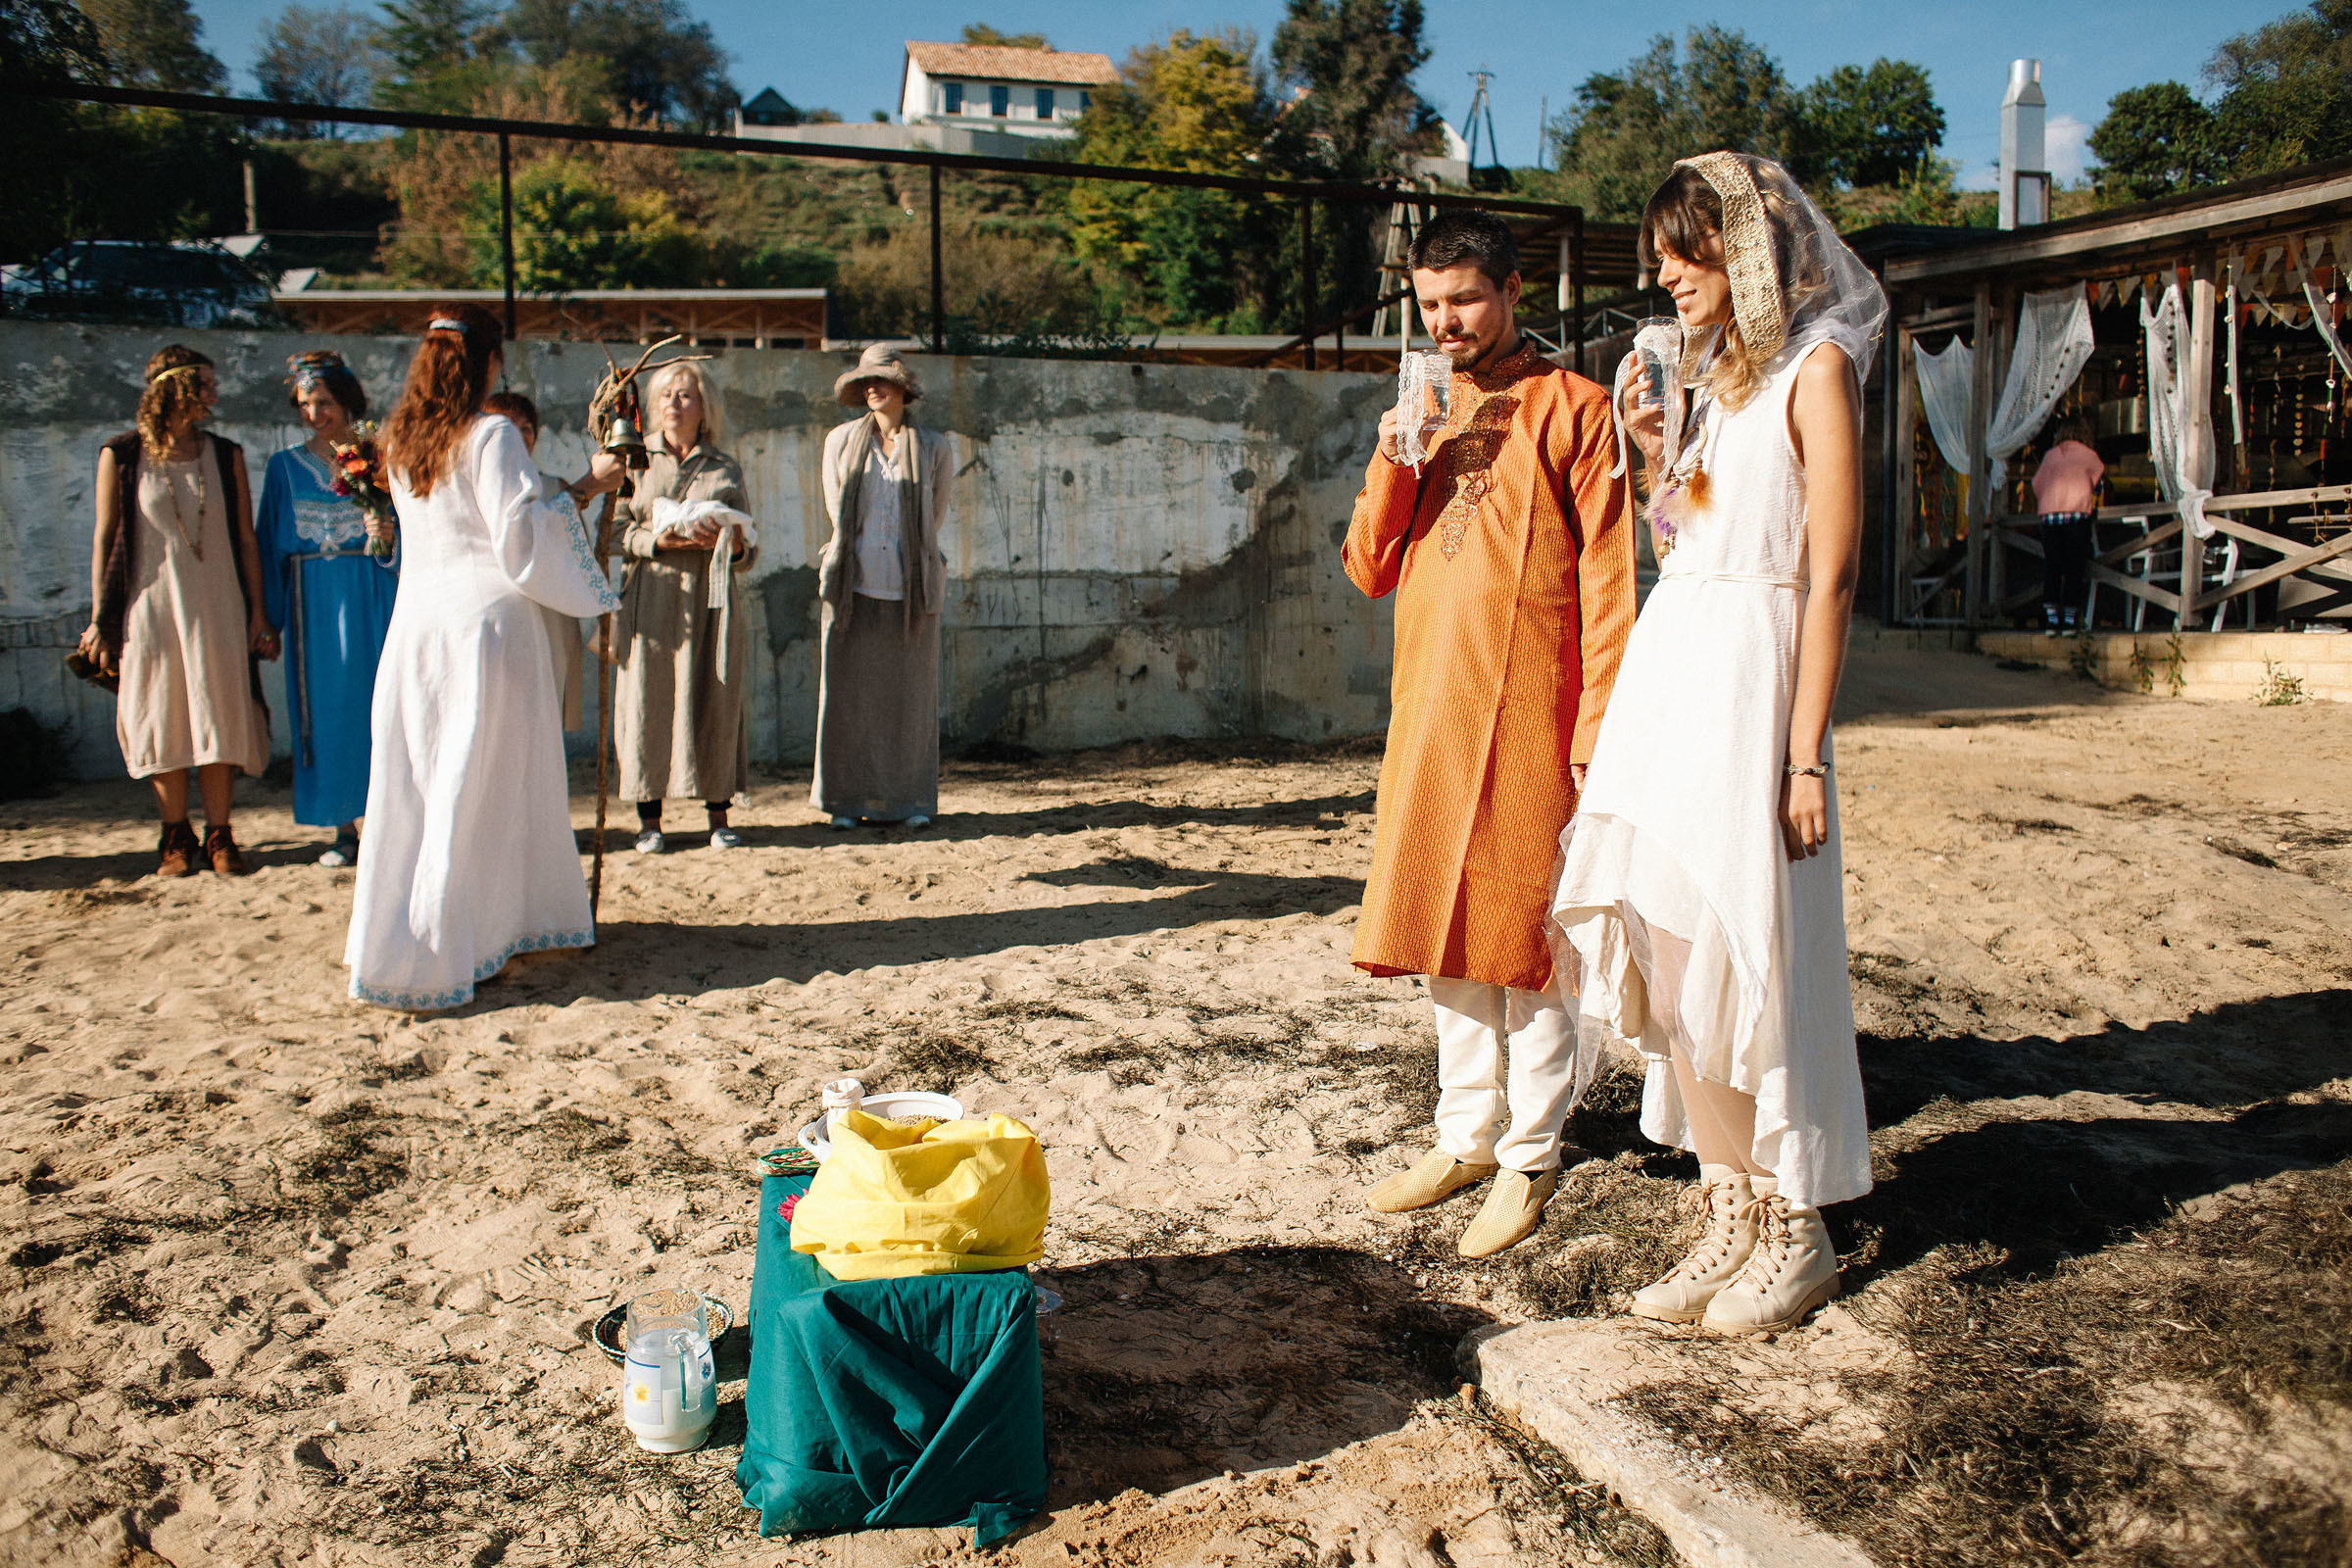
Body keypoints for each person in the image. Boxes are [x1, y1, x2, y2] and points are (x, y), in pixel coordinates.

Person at [1550, 152, 1885, 1336]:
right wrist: (1654, 453)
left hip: (1756, 678)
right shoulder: (1716, 382)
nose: (1669, 277)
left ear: (1748, 251)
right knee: (1679, 951)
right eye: (1662, 259)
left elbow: (1832, 567)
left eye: (1688, 254)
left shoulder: (1817, 368)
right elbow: (1684, 537)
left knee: (1753, 947)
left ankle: (1799, 1230)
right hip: (1675, 666)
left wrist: (1804, 753)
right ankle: (1727, 1208)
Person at [1345, 211, 1638, 1260]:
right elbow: (1369, 567)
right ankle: (1463, 1134)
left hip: (1535, 708)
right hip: (1431, 703)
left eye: (1465, 298)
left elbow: (1609, 573)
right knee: (1442, 923)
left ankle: (1531, 1151)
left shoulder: (1577, 408)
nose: (1448, 320)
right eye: (1429, 305)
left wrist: (1600, 722)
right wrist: (1394, 457)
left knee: (1525, 934)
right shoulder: (1422, 411)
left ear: (1514, 291)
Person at [346, 305, 626, 1009]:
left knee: (426, 784)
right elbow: (520, 539)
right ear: (488, 363)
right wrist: (588, 487)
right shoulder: (493, 433)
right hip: (487, 630)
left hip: (416, 627)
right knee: (487, 786)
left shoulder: (400, 441)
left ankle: (422, 936)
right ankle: (465, 939)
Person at [75, 345, 277, 877]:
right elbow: (104, 538)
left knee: (218, 714)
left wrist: (258, 613)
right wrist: (101, 616)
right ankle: (174, 836)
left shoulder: (225, 452)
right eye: (205, 384)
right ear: (177, 388)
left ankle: (220, 835)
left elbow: (247, 541)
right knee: (162, 716)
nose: (214, 394)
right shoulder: (121, 456)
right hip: (151, 609)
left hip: (219, 608)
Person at [256, 351, 399, 865]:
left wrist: (389, 538)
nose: (315, 413)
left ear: (347, 402)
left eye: (324, 402)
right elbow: (267, 546)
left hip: (373, 592)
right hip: (314, 600)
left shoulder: (380, 459)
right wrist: (266, 618)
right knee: (330, 709)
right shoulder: (284, 468)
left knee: (381, 706)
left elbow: (415, 531)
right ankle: (344, 827)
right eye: (305, 404)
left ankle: (390, 824)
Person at [612, 360, 758, 853]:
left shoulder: (724, 467)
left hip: (712, 596)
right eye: (667, 394)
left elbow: (748, 550)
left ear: (704, 406)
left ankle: (718, 816)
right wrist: (658, 542)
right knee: (649, 699)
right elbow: (614, 534)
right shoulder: (633, 461)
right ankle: (649, 821)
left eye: (686, 395)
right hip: (654, 595)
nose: (675, 403)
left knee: (713, 696)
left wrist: (729, 541)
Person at [812, 344, 952, 832]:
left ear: (903, 388)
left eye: (882, 380)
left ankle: (909, 799)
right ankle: (845, 801)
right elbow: (836, 510)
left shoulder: (934, 447)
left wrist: (912, 557)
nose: (872, 388)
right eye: (865, 382)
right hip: (853, 582)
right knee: (847, 697)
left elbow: (932, 519)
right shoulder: (839, 441)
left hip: (912, 586)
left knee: (909, 700)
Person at [484, 390, 586, 731]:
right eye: (507, 425)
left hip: (547, 613)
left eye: (526, 427)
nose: (517, 434)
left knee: (543, 718)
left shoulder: (555, 488)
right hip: (497, 611)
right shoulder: (473, 489)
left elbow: (573, 556)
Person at [2031, 416, 2105, 634]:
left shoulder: (2050, 456)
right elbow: (2099, 486)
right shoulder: (2089, 456)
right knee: (2074, 567)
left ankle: (2052, 619)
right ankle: (2070, 620)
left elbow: (2037, 485)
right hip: (2076, 516)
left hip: (2050, 518)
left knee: (2053, 567)